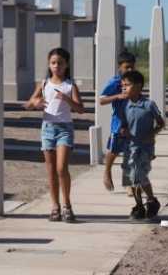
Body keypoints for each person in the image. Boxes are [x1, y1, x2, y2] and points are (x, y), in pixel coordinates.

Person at [25, 47, 86, 222]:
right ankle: (55, 206)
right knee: (51, 170)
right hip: (47, 128)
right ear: (49, 64)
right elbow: (28, 104)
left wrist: (67, 99)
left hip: (65, 129)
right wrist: (35, 103)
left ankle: (67, 205)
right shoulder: (44, 84)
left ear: (66, 65)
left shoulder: (70, 85)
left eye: (60, 63)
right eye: (53, 63)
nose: (56, 66)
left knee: (61, 168)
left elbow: (81, 109)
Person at [119, 70, 165, 220]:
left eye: (127, 85)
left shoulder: (148, 105)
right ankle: (139, 205)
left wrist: (153, 133)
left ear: (138, 86)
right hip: (129, 147)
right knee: (130, 178)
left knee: (139, 175)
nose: (124, 88)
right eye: (123, 85)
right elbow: (124, 124)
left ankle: (151, 201)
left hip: (144, 147)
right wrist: (123, 130)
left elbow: (161, 122)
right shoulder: (125, 106)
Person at [99, 51, 136, 192]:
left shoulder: (135, 81)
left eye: (132, 67)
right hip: (118, 124)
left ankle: (129, 184)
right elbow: (102, 100)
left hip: (133, 124)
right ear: (120, 67)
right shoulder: (115, 82)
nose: (130, 70)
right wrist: (118, 96)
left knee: (131, 154)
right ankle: (107, 171)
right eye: (127, 67)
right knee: (114, 151)